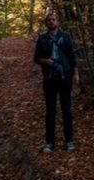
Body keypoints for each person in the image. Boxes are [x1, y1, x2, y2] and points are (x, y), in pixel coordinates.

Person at [33, 10, 78, 152]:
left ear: (57, 22)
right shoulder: (42, 39)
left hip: (65, 77)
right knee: (50, 111)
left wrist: (76, 75)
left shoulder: (66, 37)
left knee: (67, 110)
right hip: (50, 79)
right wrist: (45, 61)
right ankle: (49, 142)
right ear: (46, 23)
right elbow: (36, 58)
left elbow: (72, 56)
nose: (51, 22)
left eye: (53, 19)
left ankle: (69, 141)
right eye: (49, 20)